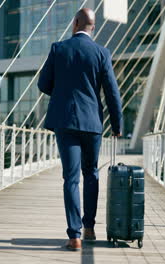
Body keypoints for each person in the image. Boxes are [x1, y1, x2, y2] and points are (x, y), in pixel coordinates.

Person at [38, 8, 123, 251]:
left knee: (71, 178)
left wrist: (63, 92)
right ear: (93, 27)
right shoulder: (101, 53)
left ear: (75, 23)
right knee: (91, 174)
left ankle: (74, 236)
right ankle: (89, 228)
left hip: (65, 122)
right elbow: (112, 93)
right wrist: (117, 126)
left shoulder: (59, 48)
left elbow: (43, 84)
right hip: (92, 124)